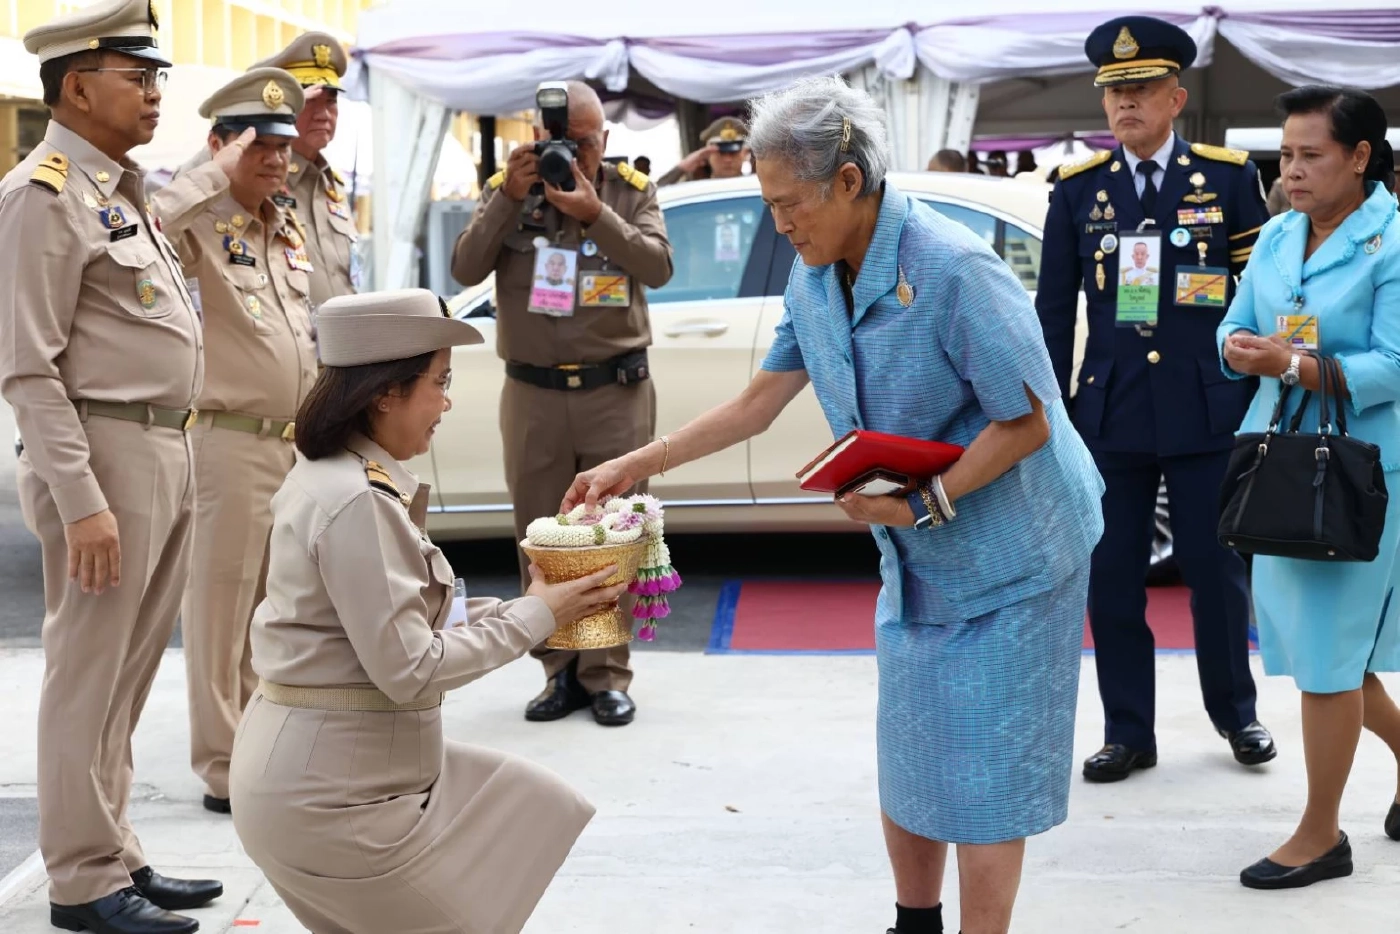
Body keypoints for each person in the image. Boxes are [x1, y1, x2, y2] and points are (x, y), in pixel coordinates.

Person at [562, 75, 1105, 934]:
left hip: (1018, 555)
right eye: (769, 206)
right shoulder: (816, 278)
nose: (780, 224)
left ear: (849, 181)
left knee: (986, 774)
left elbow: (1028, 421)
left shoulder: (955, 269)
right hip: (919, 558)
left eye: (789, 204)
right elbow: (757, 403)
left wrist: (923, 504)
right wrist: (635, 464)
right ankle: (914, 923)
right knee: (912, 752)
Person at [228, 288, 608, 934]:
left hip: (330, 773)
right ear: (385, 393)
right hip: (331, 798)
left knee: (531, 802)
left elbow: (409, 619)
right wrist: (536, 617)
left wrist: (535, 605)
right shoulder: (356, 500)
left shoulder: (337, 475)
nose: (446, 402)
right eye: (440, 382)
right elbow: (411, 666)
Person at [1, 2, 223, 932]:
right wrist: (81, 499)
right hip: (106, 455)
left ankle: (115, 849)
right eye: (137, 77)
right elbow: (28, 367)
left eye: (157, 76)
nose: (155, 93)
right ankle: (83, 882)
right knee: (87, 674)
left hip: (164, 446)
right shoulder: (41, 194)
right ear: (78, 88)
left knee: (127, 675)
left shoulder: (119, 190)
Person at [1037, 15, 1277, 783]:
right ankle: (1128, 732)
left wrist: (1261, 393)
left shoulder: (1227, 179)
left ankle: (1237, 714)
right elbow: (1053, 311)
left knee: (1215, 573)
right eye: (1114, 92)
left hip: (1207, 409)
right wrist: (1049, 416)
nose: (1126, 104)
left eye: (1141, 90)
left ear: (1176, 98)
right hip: (1111, 414)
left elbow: (1262, 296)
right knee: (1112, 580)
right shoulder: (1078, 191)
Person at [1220, 85, 1400, 890]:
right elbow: (1231, 324)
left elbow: (1394, 367)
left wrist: (1291, 364)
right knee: (1324, 651)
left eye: (1310, 156)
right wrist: (1239, 348)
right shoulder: (1278, 235)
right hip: (1281, 464)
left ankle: (1322, 834)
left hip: (1360, 473)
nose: (1290, 171)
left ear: (1360, 158)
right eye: (1285, 155)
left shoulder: (1392, 243)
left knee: (1329, 657)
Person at [450, 80, 672, 727]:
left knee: (612, 532)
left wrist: (595, 212)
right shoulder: (510, 191)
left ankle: (606, 674)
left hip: (615, 391)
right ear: (537, 137)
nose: (572, 153)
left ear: (604, 138)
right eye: (560, 141)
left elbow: (658, 266)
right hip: (533, 394)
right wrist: (507, 198)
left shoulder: (629, 191)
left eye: (585, 142)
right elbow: (465, 268)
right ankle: (557, 671)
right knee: (543, 536)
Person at [150, 68, 319, 817]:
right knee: (220, 611)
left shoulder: (282, 224)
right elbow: (147, 228)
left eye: (283, 147)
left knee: (272, 609)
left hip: (290, 444)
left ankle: (259, 746)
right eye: (258, 147)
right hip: (227, 441)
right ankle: (222, 764)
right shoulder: (194, 222)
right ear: (220, 146)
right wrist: (207, 174)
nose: (277, 160)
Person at [251, 32, 358, 303]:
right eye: (310, 101)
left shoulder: (333, 186)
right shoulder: (256, 177)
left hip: (344, 328)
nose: (324, 114)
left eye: (331, 101)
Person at [657, 116, 749, 185]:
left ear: (745, 154)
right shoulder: (695, 190)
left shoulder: (753, 186)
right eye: (721, 153)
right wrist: (681, 168)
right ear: (708, 156)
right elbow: (652, 198)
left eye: (733, 153)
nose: (727, 159)